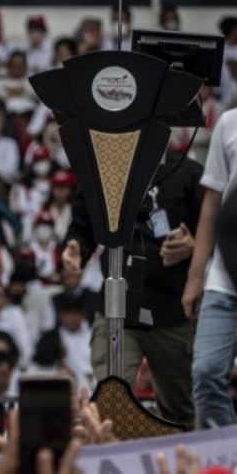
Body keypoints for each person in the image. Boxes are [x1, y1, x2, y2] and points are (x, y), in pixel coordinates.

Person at [60, 145, 201, 425]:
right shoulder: (103, 170)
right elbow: (82, 223)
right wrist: (76, 247)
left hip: (172, 312)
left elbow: (212, 227)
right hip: (118, 307)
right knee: (113, 405)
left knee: (181, 409)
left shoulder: (188, 172)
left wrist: (194, 243)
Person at [183, 106, 237, 428]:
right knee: (205, 373)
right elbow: (212, 203)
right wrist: (195, 277)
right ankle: (227, 455)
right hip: (224, 278)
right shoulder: (229, 124)